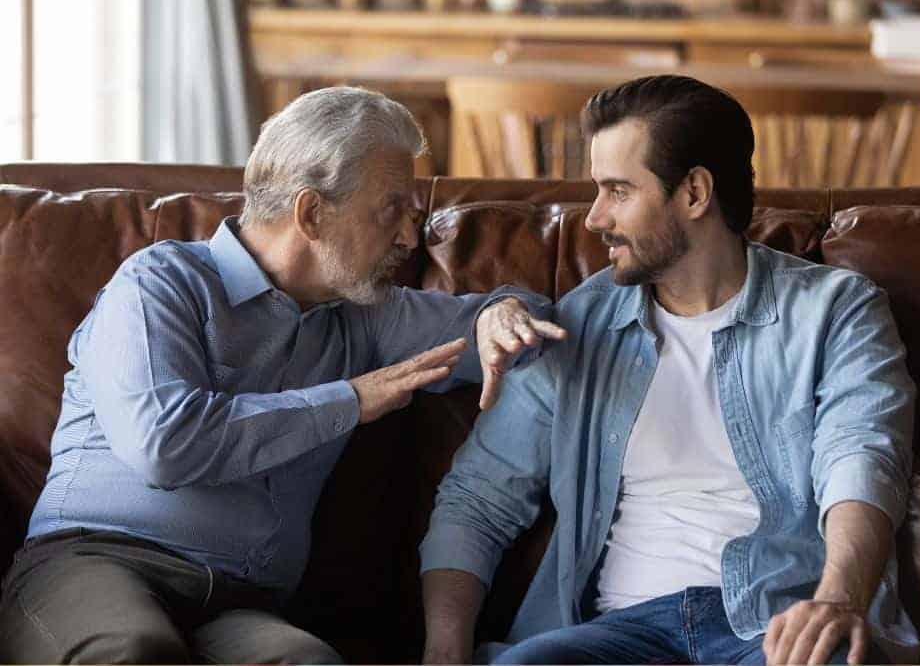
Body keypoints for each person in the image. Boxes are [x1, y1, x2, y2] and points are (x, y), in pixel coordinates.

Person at [0, 87, 566, 665]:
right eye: (390, 209)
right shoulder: (159, 283)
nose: (408, 238)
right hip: (96, 561)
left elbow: (533, 324)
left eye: (414, 215)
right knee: (132, 652)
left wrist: (503, 314)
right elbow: (164, 444)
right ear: (311, 213)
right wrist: (350, 399)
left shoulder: (366, 316)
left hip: (240, 605)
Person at [420, 75, 918, 666]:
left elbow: (861, 457)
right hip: (611, 633)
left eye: (618, 191)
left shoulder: (835, 310)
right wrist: (444, 654)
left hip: (772, 628)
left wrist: (836, 602)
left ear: (694, 193)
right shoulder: (578, 325)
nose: (595, 217)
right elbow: (477, 499)